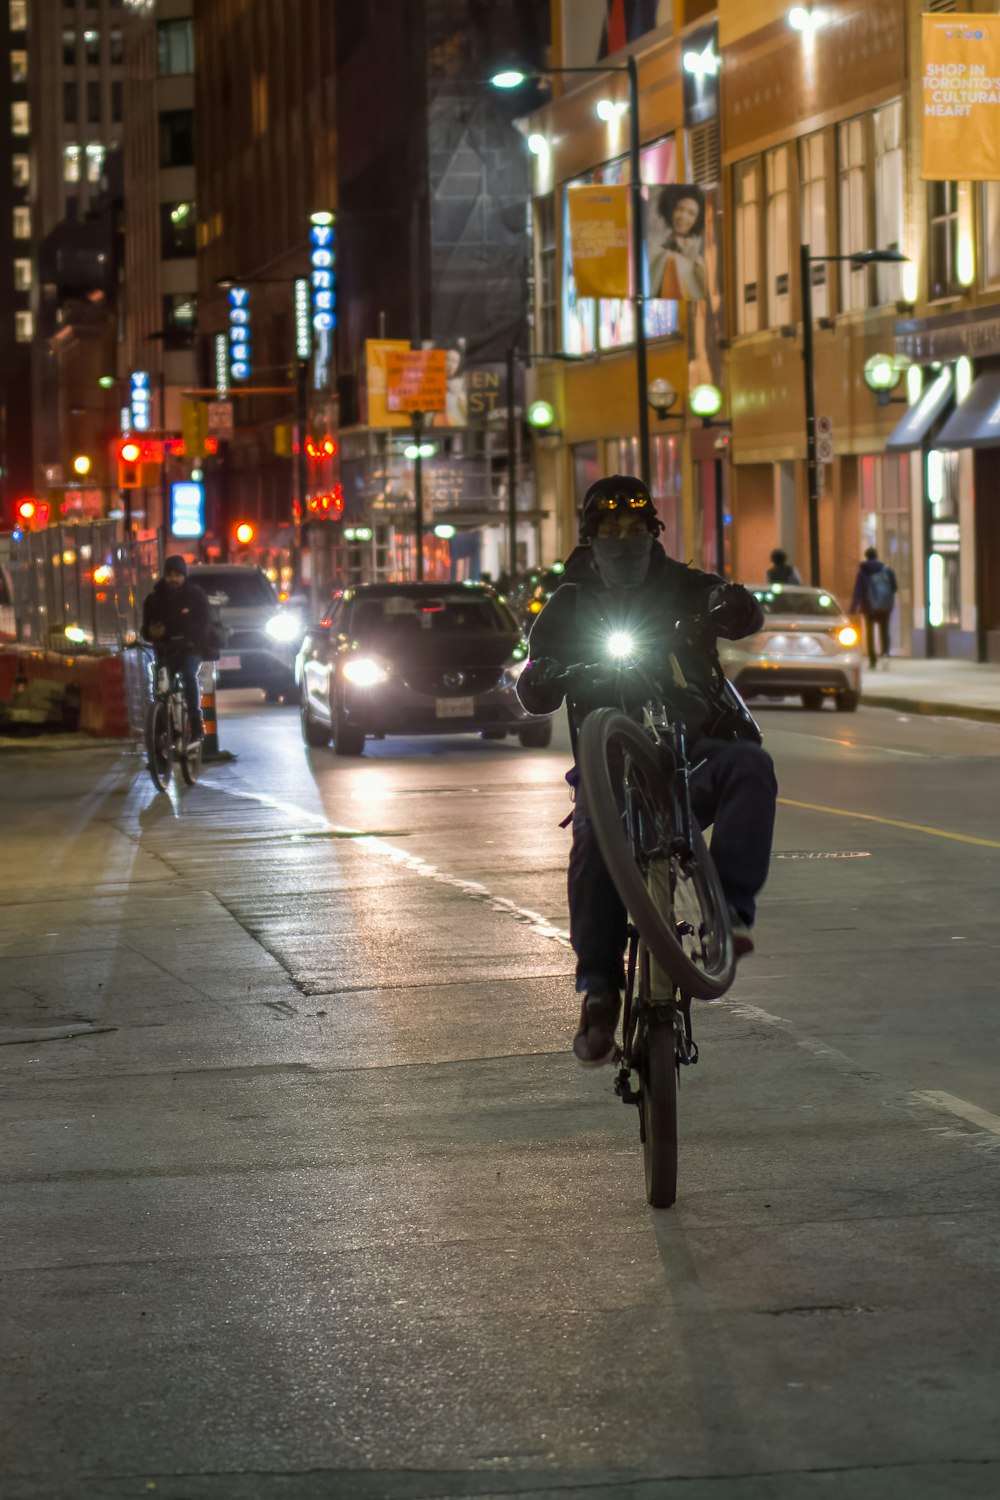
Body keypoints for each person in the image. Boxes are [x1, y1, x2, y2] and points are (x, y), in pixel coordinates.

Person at [517, 475, 778, 1067]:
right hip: (611, 768)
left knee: (751, 768)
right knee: (590, 839)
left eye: (635, 527)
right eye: (610, 529)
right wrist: (543, 676)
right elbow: (533, 684)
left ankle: (731, 914)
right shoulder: (569, 601)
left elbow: (740, 614)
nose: (623, 538)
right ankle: (600, 991)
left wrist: (732, 605)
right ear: (591, 536)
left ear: (653, 531)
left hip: (691, 751)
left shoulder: (685, 585)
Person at [141, 555, 211, 743]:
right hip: (166, 651)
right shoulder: (154, 599)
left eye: (178, 575)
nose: (173, 579)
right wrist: (151, 632)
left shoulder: (195, 596)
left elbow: (204, 625)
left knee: (189, 675)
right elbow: (145, 629)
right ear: (164, 575)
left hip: (190, 649)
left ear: (184, 576)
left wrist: (191, 640)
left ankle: (196, 725)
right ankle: (161, 737)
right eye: (170, 575)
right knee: (161, 689)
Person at [648, 185, 707, 302]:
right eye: (680, 209)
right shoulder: (659, 246)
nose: (683, 216)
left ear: (697, 219)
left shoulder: (699, 254)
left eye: (691, 213)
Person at [850, 546, 898, 670]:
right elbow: (894, 588)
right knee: (884, 631)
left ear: (866, 556)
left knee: (870, 633)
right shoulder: (887, 571)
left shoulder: (862, 572)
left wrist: (853, 608)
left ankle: (872, 660)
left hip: (868, 607)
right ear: (876, 556)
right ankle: (885, 655)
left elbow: (858, 591)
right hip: (884, 607)